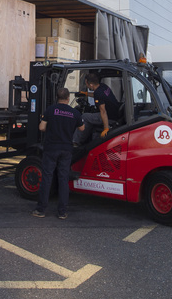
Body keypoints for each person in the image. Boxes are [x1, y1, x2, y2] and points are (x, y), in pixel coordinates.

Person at [34, 87, 85, 219]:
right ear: (68, 98)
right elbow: (82, 128)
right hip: (66, 149)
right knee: (63, 179)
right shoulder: (74, 113)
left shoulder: (50, 110)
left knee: (47, 178)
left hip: (51, 148)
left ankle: (41, 210)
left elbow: (41, 127)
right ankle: (62, 212)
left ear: (57, 97)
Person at [82, 72, 122, 139]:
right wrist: (86, 94)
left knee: (84, 116)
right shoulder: (103, 86)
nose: (86, 86)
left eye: (86, 84)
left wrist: (106, 128)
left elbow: (103, 111)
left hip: (109, 117)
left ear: (91, 85)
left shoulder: (98, 93)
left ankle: (76, 142)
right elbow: (98, 96)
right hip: (114, 113)